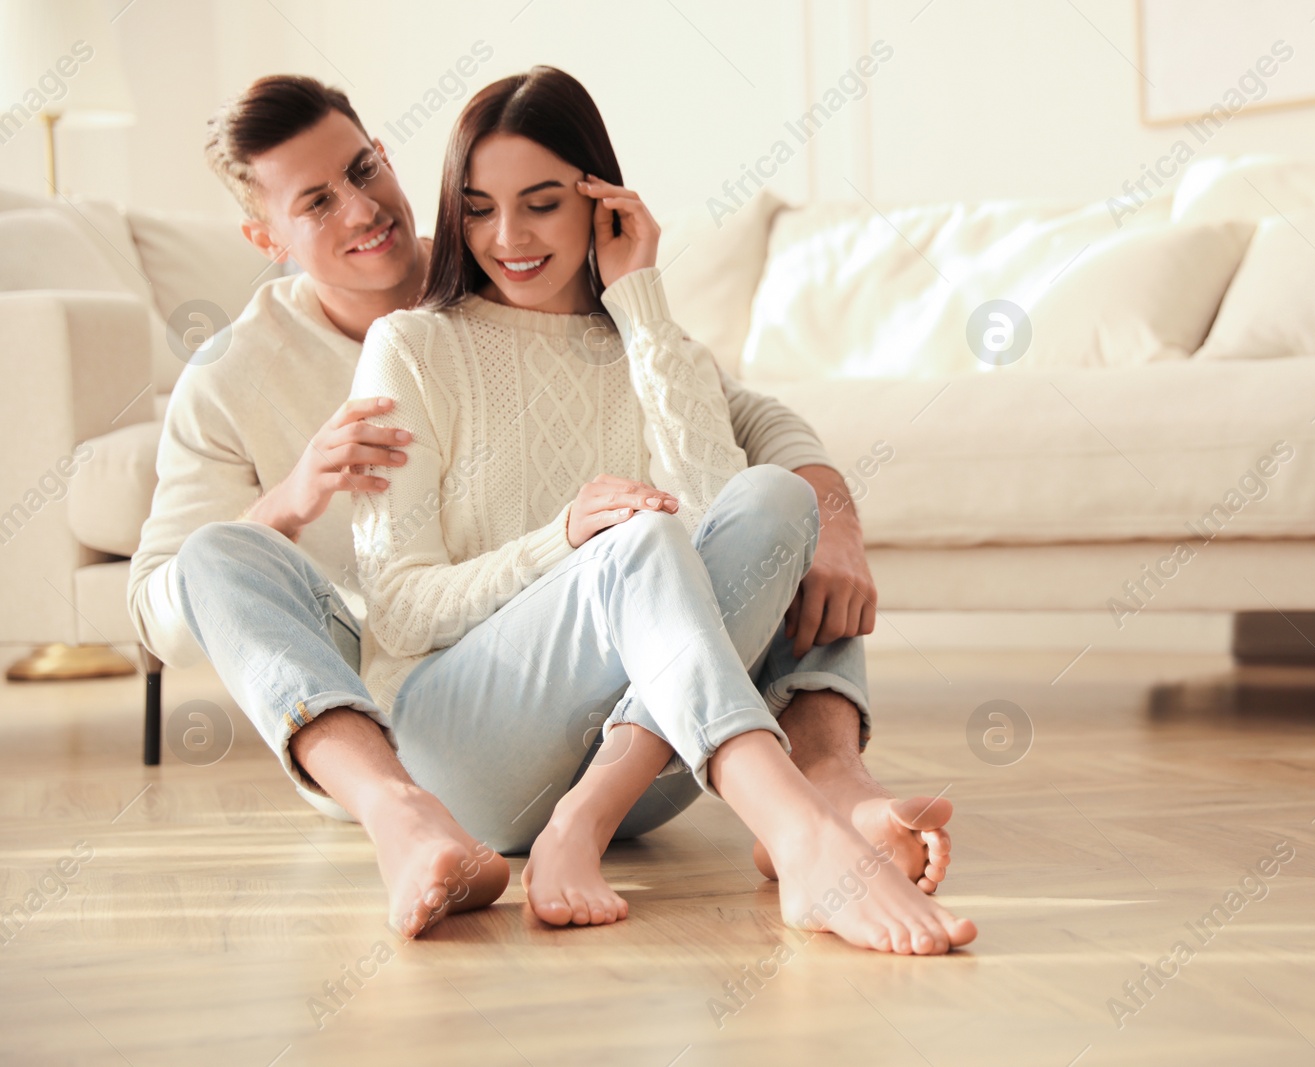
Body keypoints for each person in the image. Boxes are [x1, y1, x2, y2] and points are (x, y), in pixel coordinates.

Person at [127, 71, 955, 943]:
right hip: (433, 708)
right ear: (265, 237)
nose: (364, 210)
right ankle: (414, 814)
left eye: (365, 170)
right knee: (225, 551)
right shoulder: (287, 367)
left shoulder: (614, 326)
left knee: (781, 502)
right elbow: (172, 608)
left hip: (640, 751)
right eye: (318, 202)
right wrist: (294, 501)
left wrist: (833, 515)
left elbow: (744, 461)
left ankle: (791, 788)